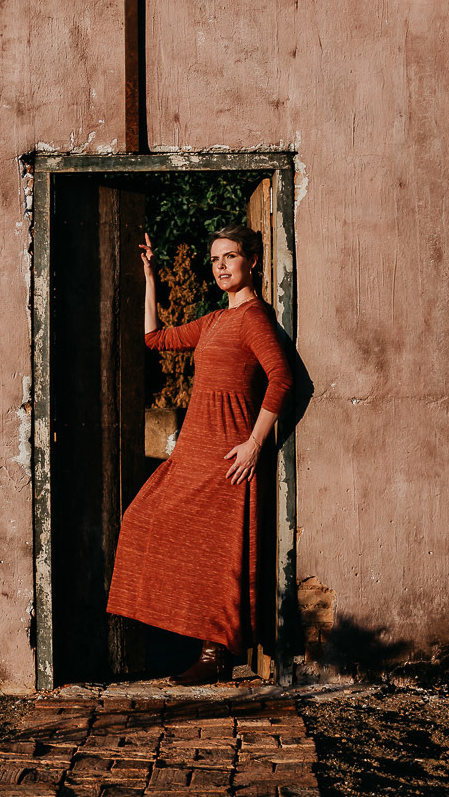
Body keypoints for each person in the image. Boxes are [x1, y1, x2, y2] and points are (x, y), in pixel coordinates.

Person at [106, 223, 293, 684]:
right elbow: (155, 340)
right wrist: (151, 277)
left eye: (229, 257)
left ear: (252, 261)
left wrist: (253, 443)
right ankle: (203, 646)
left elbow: (283, 379)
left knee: (218, 555)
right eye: (215, 260)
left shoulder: (255, 318)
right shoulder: (213, 320)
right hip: (193, 449)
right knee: (142, 518)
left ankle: (216, 654)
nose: (221, 267)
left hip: (228, 456)